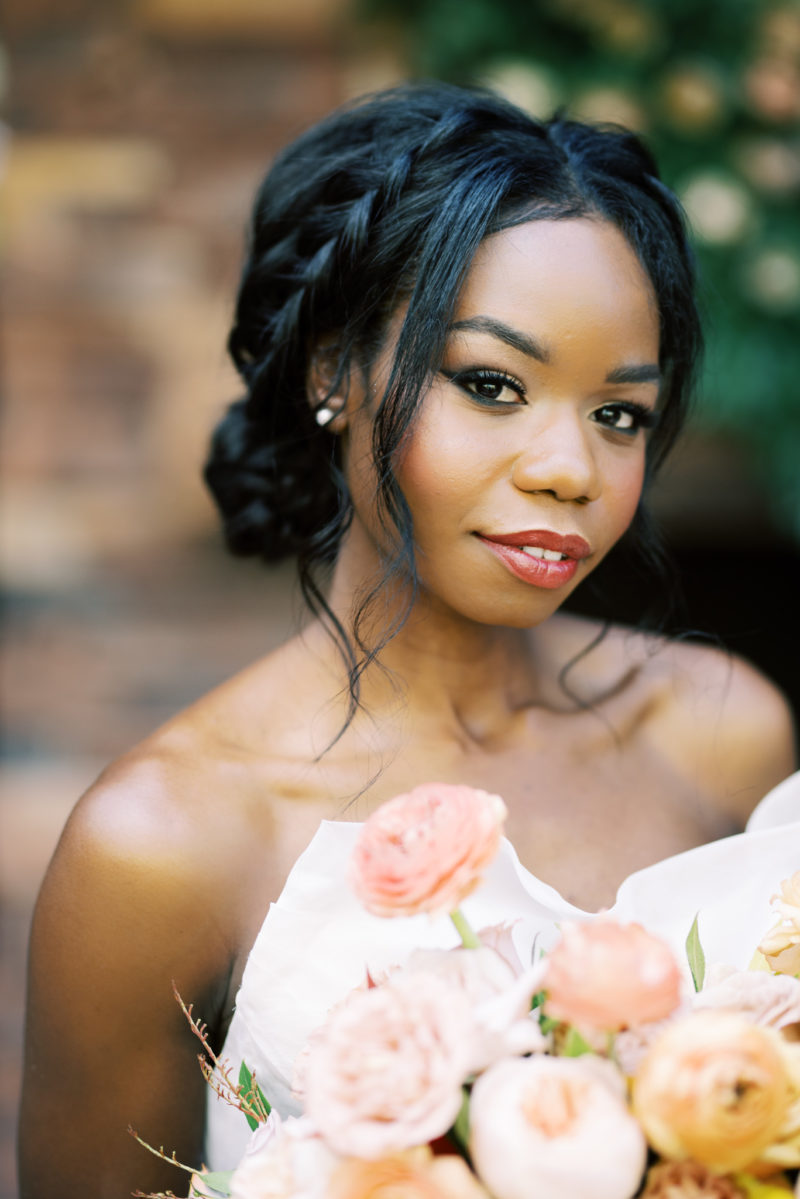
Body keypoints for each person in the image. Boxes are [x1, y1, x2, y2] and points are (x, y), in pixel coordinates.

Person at [18, 81, 796, 1197]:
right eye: (491, 384)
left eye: (617, 413)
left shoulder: (723, 731)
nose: (569, 469)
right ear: (332, 370)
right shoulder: (161, 846)